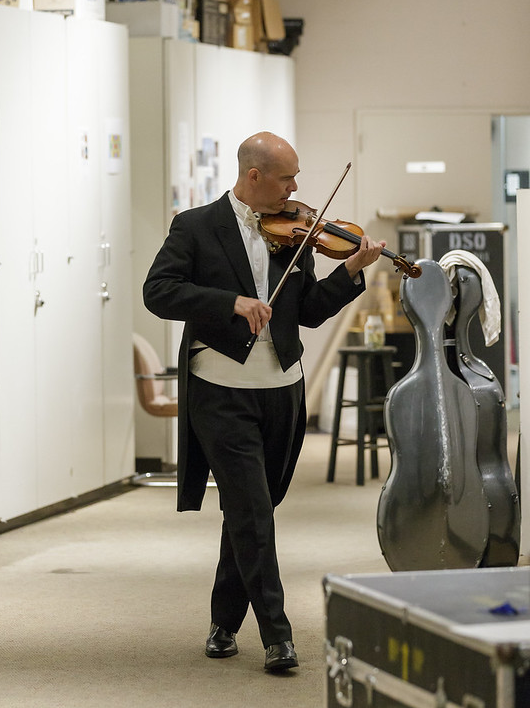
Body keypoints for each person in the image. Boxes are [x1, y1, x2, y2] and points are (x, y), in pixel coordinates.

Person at [143, 132, 385, 672]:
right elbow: (157, 291)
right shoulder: (196, 227)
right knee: (251, 510)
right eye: (286, 178)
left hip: (282, 391)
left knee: (253, 509)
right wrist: (230, 303)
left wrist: (348, 273)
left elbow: (310, 311)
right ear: (254, 177)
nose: (296, 189)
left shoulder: (295, 234)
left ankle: (223, 622)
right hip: (220, 391)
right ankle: (278, 634)